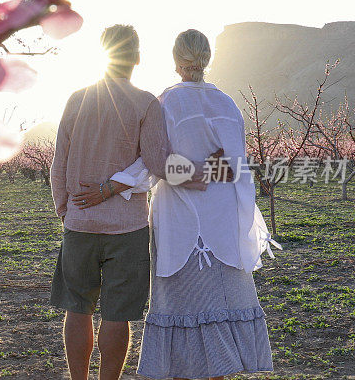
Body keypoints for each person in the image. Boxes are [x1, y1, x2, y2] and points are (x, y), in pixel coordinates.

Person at [78, 29, 277, 379]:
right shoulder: (227, 104)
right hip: (221, 216)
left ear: (175, 60)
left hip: (178, 217)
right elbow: (235, 165)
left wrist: (113, 185)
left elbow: (153, 162)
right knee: (220, 303)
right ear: (207, 58)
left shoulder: (166, 102)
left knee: (181, 305)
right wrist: (208, 168)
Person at [49, 25, 213, 380]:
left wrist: (67, 209)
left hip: (79, 225)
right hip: (128, 228)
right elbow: (158, 163)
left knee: (76, 309)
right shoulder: (146, 103)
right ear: (137, 58)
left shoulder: (76, 99)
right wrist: (203, 173)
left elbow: (58, 164)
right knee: (117, 314)